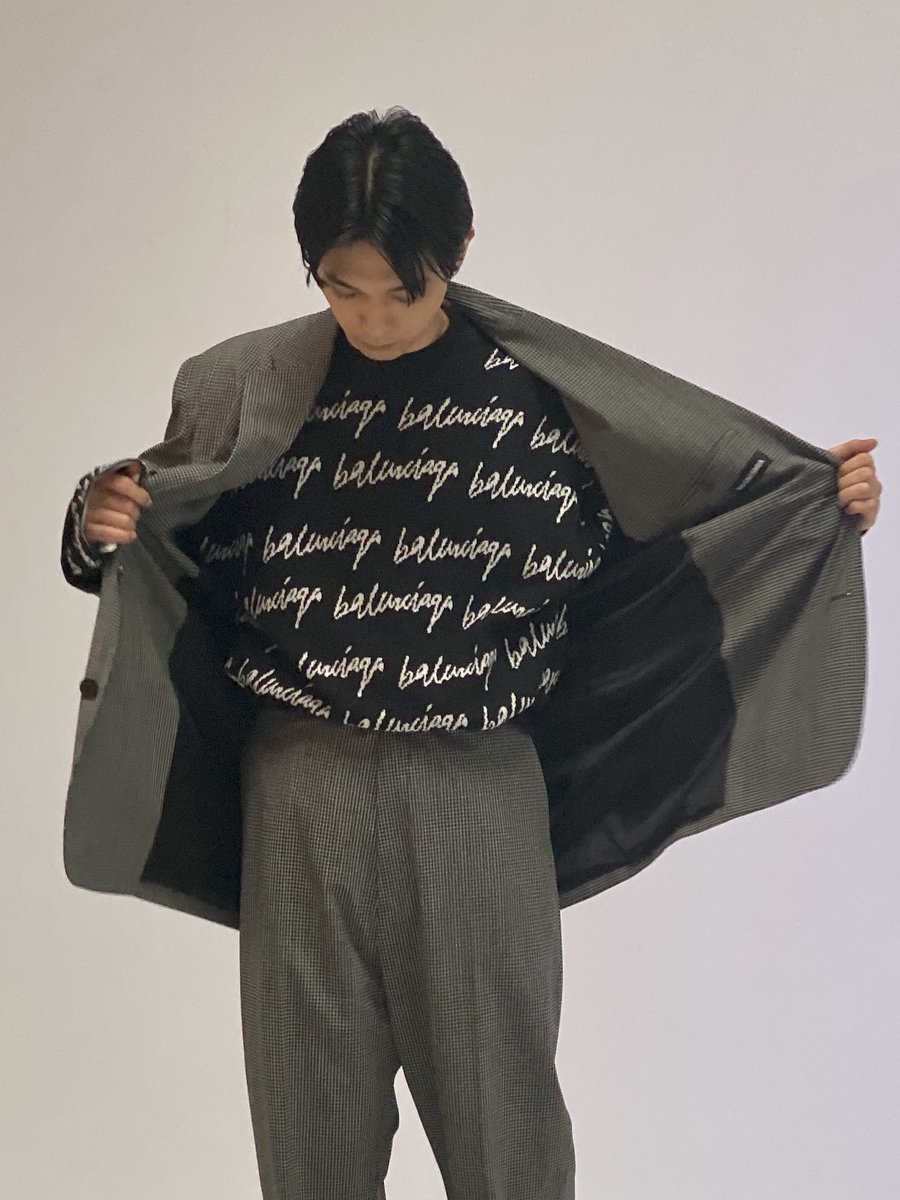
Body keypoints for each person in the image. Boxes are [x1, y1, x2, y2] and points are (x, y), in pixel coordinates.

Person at [61, 108, 883, 1200]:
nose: (373, 317)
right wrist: (94, 523)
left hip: (479, 781)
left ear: (460, 250)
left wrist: (818, 500)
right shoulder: (244, 388)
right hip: (298, 779)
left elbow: (686, 524)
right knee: (309, 1128)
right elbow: (165, 534)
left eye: (401, 291)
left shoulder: (553, 402)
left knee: (505, 1129)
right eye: (341, 289)